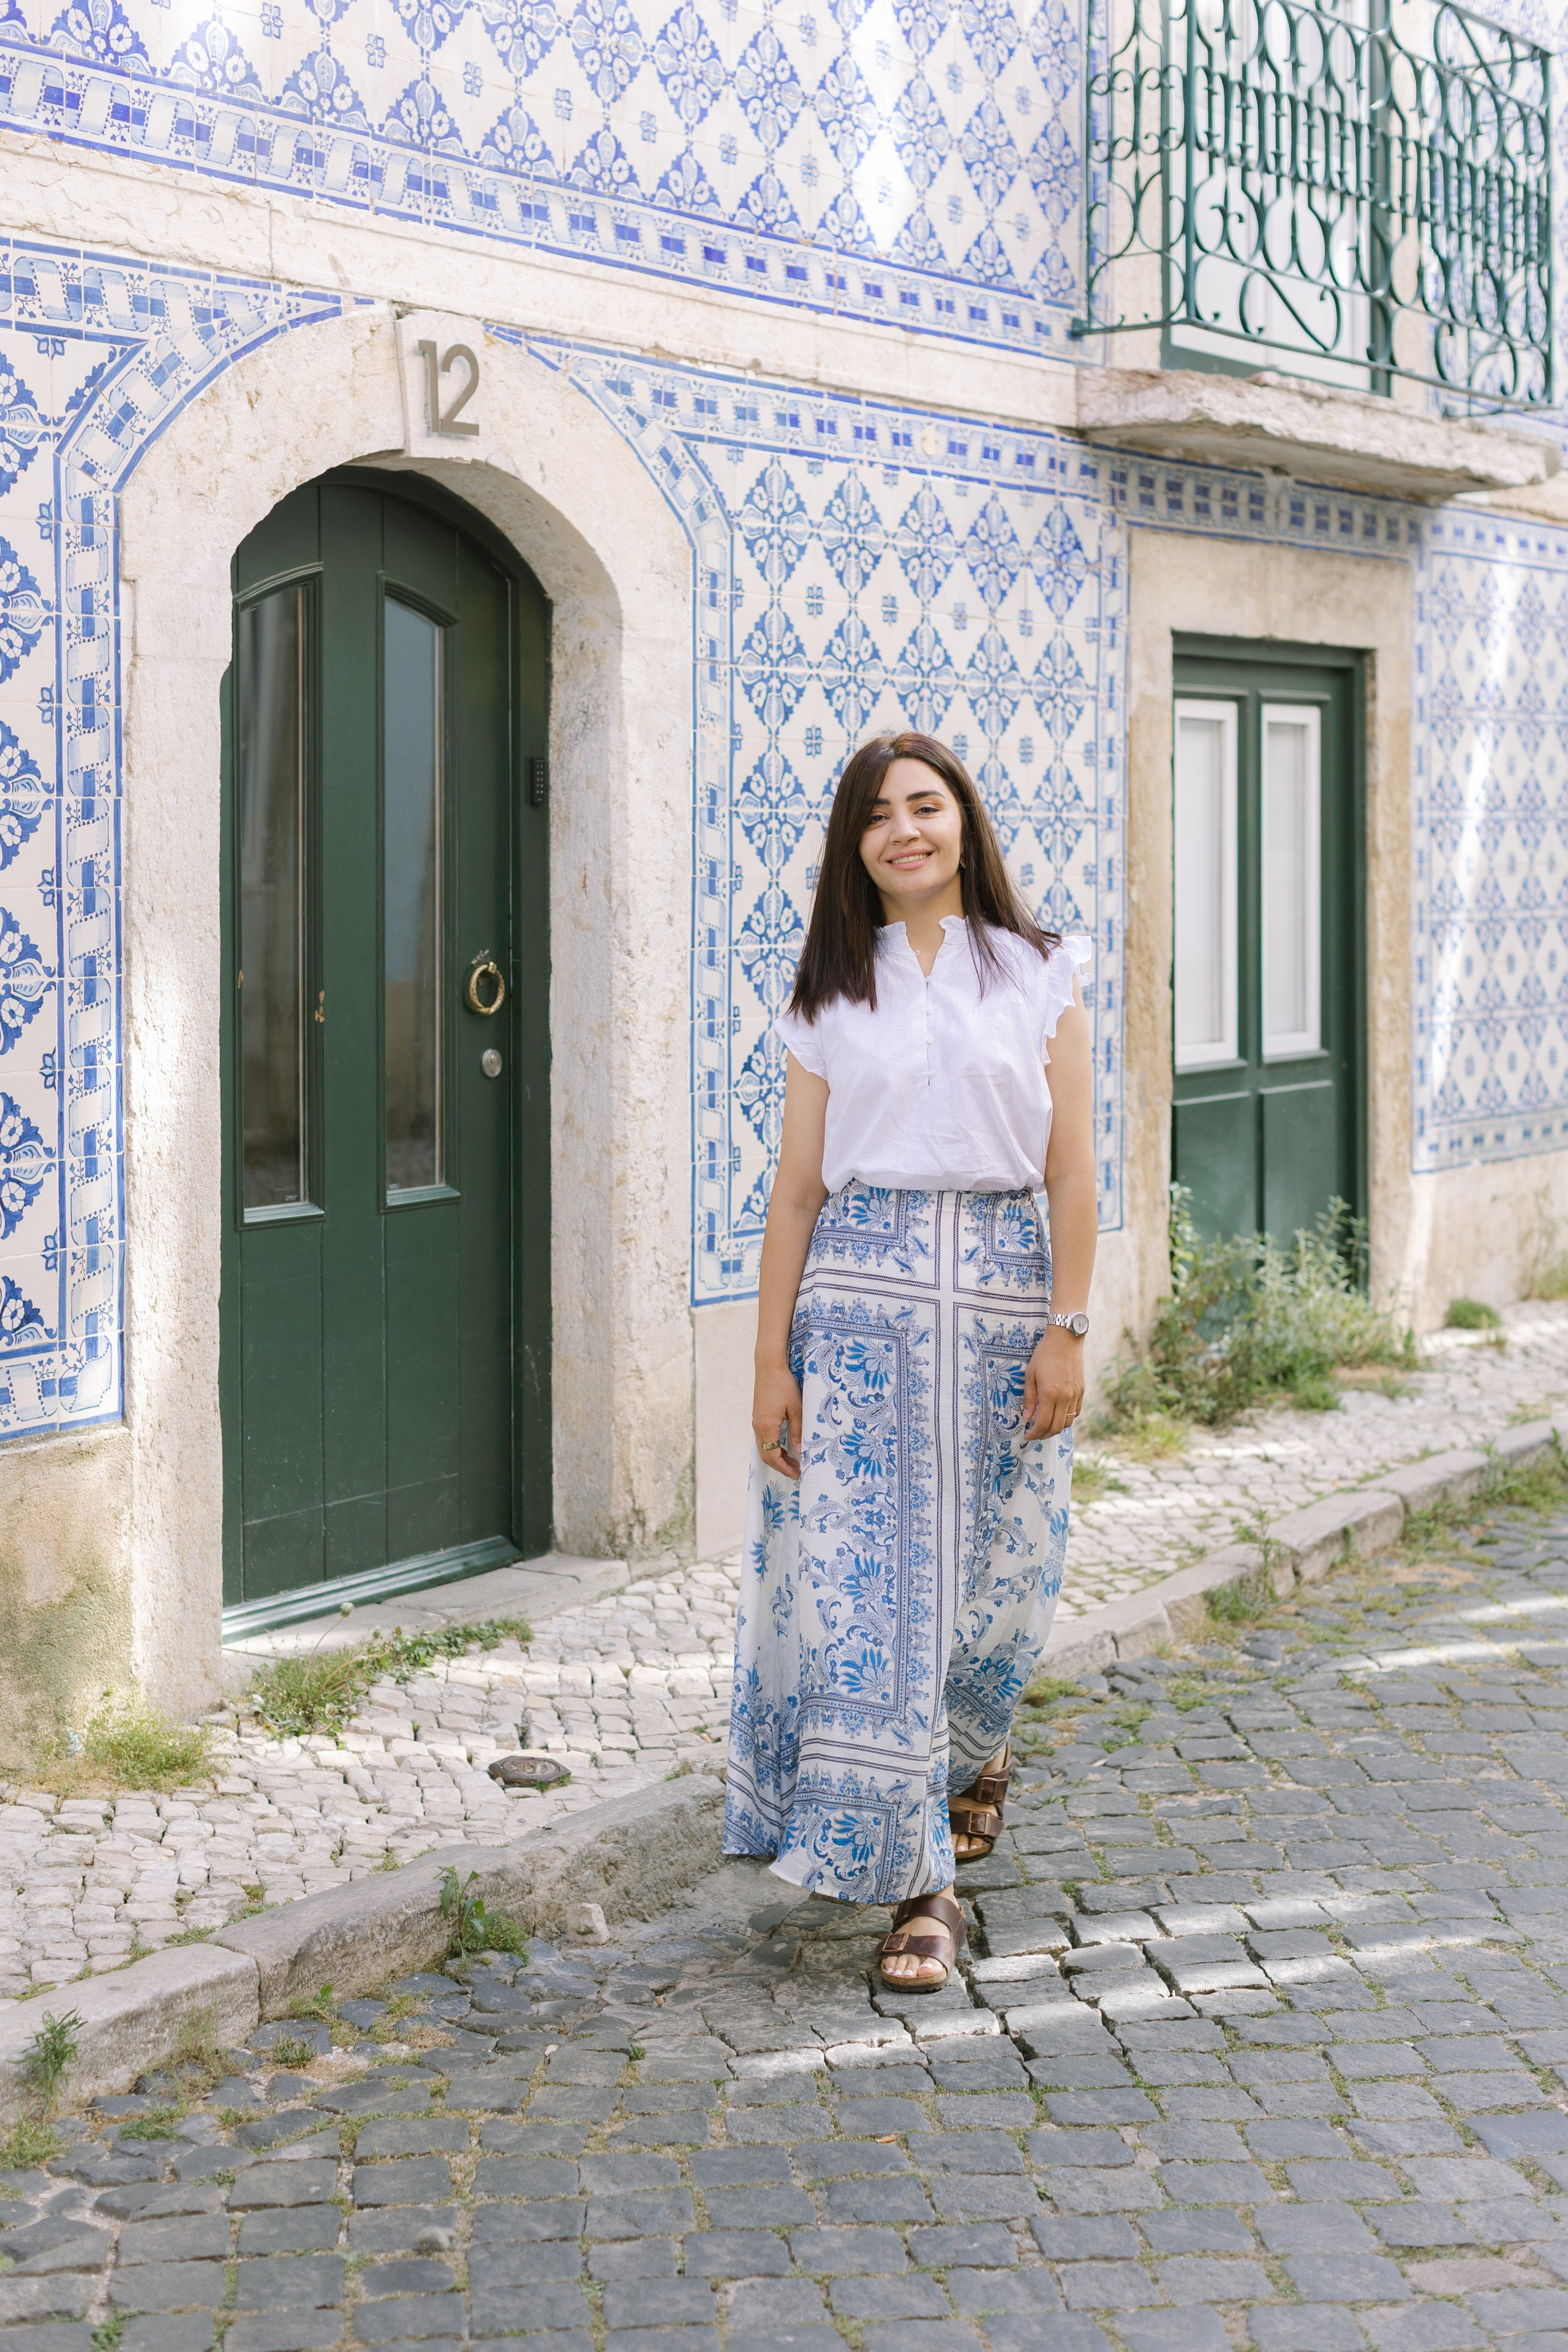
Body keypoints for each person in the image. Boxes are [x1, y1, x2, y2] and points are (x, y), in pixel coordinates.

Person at [723, 728, 1097, 1991]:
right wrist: (768, 1360)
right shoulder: (834, 988)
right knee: (872, 1602)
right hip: (859, 1309)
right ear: (855, 847)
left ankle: (970, 1752)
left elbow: (1072, 1171)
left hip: (1001, 1299)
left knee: (1003, 1574)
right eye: (875, 816)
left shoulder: (1036, 973)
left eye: (922, 806)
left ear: (961, 822)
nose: (902, 831)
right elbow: (791, 1192)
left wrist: (1068, 1324)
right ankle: (919, 1889)